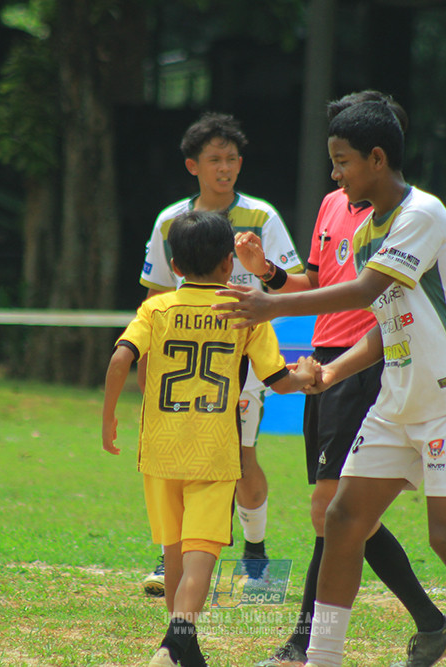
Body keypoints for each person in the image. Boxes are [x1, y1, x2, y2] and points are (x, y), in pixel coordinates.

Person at [213, 98, 446, 667]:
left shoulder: (422, 215)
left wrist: (269, 305)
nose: (335, 175)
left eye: (342, 162)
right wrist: (334, 370)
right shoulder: (366, 233)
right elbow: (385, 323)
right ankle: (321, 658)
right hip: (395, 402)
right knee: (341, 518)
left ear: (377, 159)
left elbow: (362, 293)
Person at [103, 210, 318, 667]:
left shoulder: (156, 309)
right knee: (201, 555)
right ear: (228, 264)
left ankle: (186, 651)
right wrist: (307, 375)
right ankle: (175, 642)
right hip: (215, 450)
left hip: (159, 449)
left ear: (175, 266)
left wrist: (108, 421)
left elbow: (121, 359)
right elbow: (279, 381)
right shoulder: (246, 310)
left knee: (174, 553)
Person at [138, 111, 303, 594]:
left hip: (241, 363)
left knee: (242, 459)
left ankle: (255, 554)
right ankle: (171, 555)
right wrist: (149, 371)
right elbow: (155, 298)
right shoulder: (170, 221)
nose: (224, 168)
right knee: (176, 458)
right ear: (193, 166)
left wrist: (263, 270)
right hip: (184, 366)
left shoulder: (262, 217)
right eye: (214, 159)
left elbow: (296, 284)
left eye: (231, 158)